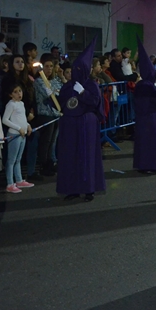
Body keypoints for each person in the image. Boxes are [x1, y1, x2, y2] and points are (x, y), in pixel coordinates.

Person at [56, 36, 105, 201]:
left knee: (87, 156)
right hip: (70, 125)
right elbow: (62, 104)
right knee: (70, 156)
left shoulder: (92, 85)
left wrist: (83, 93)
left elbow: (95, 102)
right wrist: (52, 100)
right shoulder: (67, 86)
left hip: (86, 124)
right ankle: (72, 188)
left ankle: (89, 188)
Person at [132, 38, 156, 175]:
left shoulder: (142, 86)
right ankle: (152, 164)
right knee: (151, 143)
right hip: (150, 117)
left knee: (145, 143)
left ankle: (145, 164)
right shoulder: (148, 86)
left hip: (145, 117)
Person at [1, 84, 34, 193]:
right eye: (15, 92)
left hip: (22, 135)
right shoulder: (11, 105)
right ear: (10, 94)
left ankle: (19, 180)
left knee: (18, 159)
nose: (19, 93)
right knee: (11, 160)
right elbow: (5, 119)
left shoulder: (21, 104)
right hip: (15, 135)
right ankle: (10, 183)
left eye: (20, 91)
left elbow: (22, 118)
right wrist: (18, 128)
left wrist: (27, 125)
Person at [32, 53, 61, 176]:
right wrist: (54, 92)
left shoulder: (54, 80)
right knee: (46, 141)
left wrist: (55, 92)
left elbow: (60, 91)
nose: (49, 68)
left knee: (52, 141)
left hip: (55, 113)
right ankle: (43, 164)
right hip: (45, 114)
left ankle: (50, 162)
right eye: (47, 66)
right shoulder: (38, 81)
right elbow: (47, 94)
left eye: (51, 66)